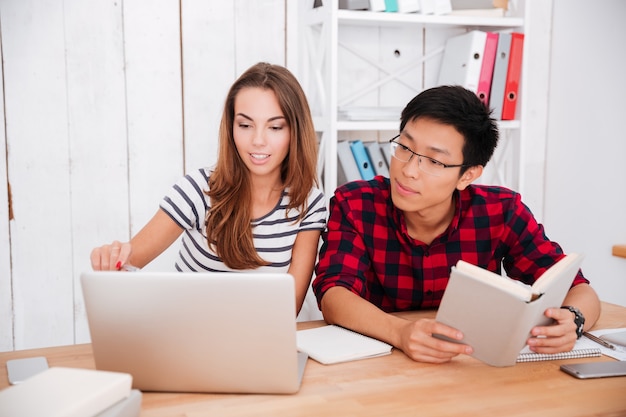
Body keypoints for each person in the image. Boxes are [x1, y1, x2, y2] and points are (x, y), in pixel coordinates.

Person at [313, 85, 601, 363]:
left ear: (468, 175)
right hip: (380, 364)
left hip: (469, 365)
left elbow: (579, 289)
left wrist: (573, 320)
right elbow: (334, 294)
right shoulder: (356, 203)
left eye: (435, 162)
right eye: (404, 147)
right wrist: (399, 332)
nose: (409, 170)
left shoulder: (501, 212)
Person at [91, 62, 327, 315]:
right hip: (185, 340)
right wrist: (113, 260)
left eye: (275, 127)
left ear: (295, 131)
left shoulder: (310, 205)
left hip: (257, 346)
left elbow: (287, 309)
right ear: (231, 127)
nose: (258, 140)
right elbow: (127, 264)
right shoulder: (197, 191)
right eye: (245, 125)